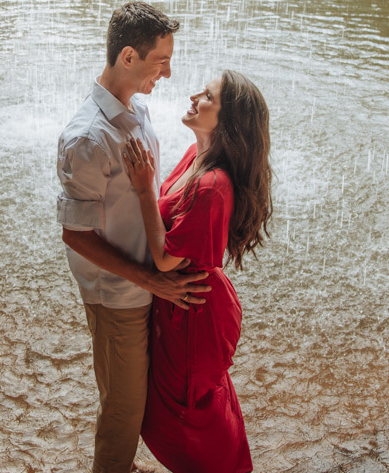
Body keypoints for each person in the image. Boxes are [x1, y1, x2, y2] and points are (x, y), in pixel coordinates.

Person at [57, 2, 213, 473]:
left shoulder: (137, 107)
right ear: (129, 57)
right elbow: (76, 237)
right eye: (159, 61)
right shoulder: (87, 138)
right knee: (124, 413)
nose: (167, 73)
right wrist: (153, 281)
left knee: (139, 403)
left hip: (146, 285)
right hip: (119, 296)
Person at [122, 70, 272, 473]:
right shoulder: (196, 157)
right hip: (182, 303)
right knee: (192, 404)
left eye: (207, 95)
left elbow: (165, 257)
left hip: (190, 312)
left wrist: (141, 186)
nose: (193, 96)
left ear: (228, 120)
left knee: (187, 410)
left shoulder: (212, 185)